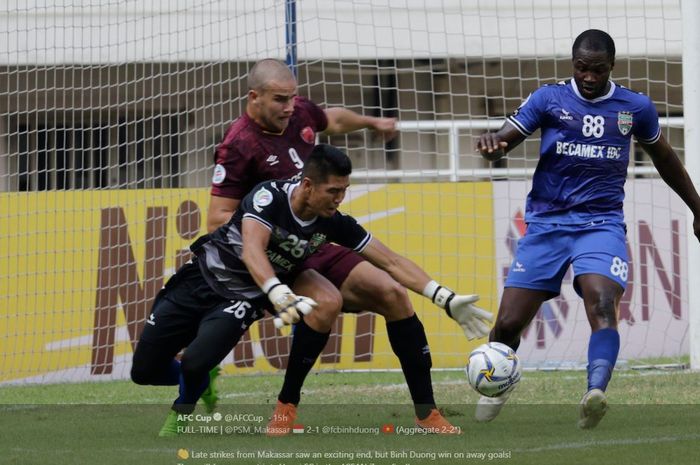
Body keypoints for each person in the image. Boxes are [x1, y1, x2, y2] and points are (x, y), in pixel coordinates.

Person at [206, 59, 492, 435]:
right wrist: (269, 251)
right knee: (326, 303)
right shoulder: (239, 144)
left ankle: (427, 414)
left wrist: (373, 123)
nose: (291, 107)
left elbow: (333, 119)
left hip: (318, 239)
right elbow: (217, 218)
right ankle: (284, 409)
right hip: (277, 252)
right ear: (254, 98)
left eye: (293, 98)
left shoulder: (298, 114)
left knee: (393, 294)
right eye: (281, 100)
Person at [131, 144, 491, 436]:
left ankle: (284, 408)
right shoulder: (268, 197)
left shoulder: (332, 221)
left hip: (242, 296)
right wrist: (276, 291)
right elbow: (251, 248)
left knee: (198, 358)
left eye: (344, 191)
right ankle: (196, 379)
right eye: (333, 191)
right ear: (307, 185)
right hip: (201, 278)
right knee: (143, 371)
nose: (339, 199)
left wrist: (443, 296)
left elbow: (392, 262)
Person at [476, 29, 700, 429]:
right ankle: (498, 382)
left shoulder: (635, 107)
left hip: (601, 223)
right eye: (582, 68)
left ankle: (595, 391)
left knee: (601, 303)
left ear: (611, 66)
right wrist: (496, 145)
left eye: (597, 70)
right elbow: (508, 137)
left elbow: (665, 159)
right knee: (508, 323)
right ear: (573, 64)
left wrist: (698, 209)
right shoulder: (549, 98)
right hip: (546, 223)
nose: (589, 77)